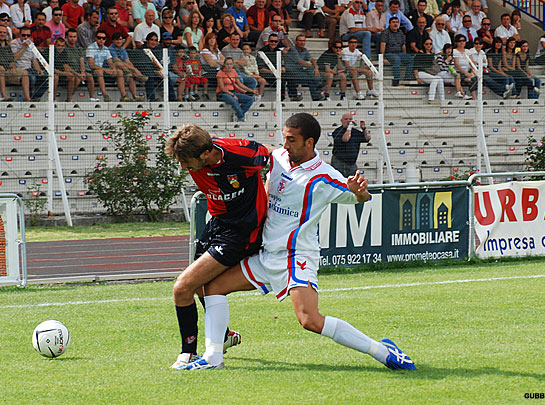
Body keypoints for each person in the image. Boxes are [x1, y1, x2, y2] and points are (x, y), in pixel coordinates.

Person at [178, 113, 416, 371]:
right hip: (267, 253)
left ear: (309, 142)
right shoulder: (277, 158)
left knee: (309, 320)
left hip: (296, 256)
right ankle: (213, 358)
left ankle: (383, 352)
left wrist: (359, 193)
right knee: (212, 287)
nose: (285, 144)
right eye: (284, 138)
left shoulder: (323, 176)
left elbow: (359, 196)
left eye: (292, 140)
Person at [164, 124, 270, 369]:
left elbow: (272, 155)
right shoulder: (198, 160)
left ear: (205, 154)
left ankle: (188, 355)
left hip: (242, 233)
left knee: (182, 288)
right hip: (217, 224)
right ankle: (223, 337)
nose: (183, 167)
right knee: (201, 288)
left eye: (186, 161)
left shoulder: (241, 154)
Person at [86, 29, 129, 102]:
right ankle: (105, 95)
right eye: (99, 38)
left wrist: (113, 69)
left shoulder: (106, 48)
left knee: (119, 72)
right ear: (95, 38)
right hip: (91, 71)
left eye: (103, 38)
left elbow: (110, 62)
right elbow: (91, 65)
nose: (101, 40)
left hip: (101, 70)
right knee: (100, 72)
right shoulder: (91, 48)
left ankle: (123, 95)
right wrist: (105, 70)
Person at [11, 26, 48, 100]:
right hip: (19, 68)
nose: (25, 37)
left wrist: (39, 70)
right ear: (19, 35)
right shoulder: (14, 43)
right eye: (23, 35)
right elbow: (15, 57)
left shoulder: (31, 44)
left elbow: (34, 59)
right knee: (32, 77)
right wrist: (24, 46)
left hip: (30, 68)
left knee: (47, 77)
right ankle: (29, 98)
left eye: (28, 35)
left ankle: (36, 97)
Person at [216, 57, 256, 121]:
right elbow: (222, 88)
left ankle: (239, 114)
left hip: (233, 92)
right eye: (227, 64)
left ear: (233, 65)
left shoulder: (234, 71)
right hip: (223, 93)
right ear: (224, 65)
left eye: (231, 64)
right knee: (234, 100)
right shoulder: (220, 73)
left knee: (250, 99)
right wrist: (232, 95)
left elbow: (240, 84)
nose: (229, 66)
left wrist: (251, 90)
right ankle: (241, 117)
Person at [109, 32, 145, 101]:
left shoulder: (122, 50)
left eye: (120, 39)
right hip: (112, 69)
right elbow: (116, 61)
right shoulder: (111, 49)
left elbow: (128, 61)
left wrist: (132, 68)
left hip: (124, 69)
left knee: (129, 76)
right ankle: (124, 95)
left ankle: (135, 96)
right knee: (119, 66)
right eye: (116, 40)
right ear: (113, 41)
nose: (119, 41)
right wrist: (134, 70)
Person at [64, 28, 97, 101]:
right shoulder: (64, 49)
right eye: (71, 36)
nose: (73, 39)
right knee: (75, 79)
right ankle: (68, 99)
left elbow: (82, 62)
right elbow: (66, 66)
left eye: (74, 37)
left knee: (89, 76)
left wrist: (82, 73)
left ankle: (92, 98)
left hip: (78, 71)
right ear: (66, 37)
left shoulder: (79, 48)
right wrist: (78, 74)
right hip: (68, 72)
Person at [380, 17, 413, 86]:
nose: (395, 24)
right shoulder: (385, 32)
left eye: (397, 22)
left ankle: (406, 80)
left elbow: (403, 45)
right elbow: (383, 45)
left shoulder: (400, 32)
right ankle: (396, 81)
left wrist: (405, 55)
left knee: (410, 59)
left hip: (399, 53)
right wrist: (382, 58)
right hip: (389, 53)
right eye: (393, 22)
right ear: (389, 24)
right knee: (396, 59)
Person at [413, 38, 445, 103]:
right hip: (421, 73)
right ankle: (431, 98)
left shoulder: (432, 55)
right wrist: (417, 77)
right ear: (424, 45)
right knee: (435, 80)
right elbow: (415, 66)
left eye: (430, 44)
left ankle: (442, 99)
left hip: (430, 73)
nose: (429, 45)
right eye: (427, 44)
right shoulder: (420, 54)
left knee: (440, 79)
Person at [452, 34, 476, 99]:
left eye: (463, 41)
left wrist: (472, 72)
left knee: (474, 78)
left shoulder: (468, 51)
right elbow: (457, 64)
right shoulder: (455, 51)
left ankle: (474, 98)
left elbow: (472, 63)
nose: (462, 42)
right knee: (469, 78)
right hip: (460, 71)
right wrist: (466, 73)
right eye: (460, 41)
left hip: (469, 70)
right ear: (456, 42)